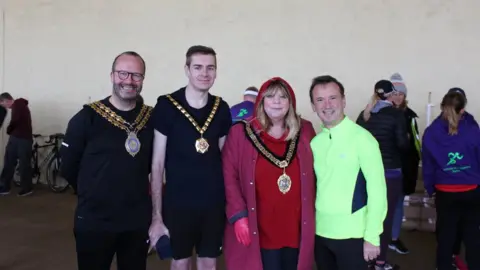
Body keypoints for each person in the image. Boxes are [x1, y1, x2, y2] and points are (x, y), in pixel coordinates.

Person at [60, 51, 153, 270]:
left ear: (143, 80)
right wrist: (94, 193)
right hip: (95, 221)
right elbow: (68, 167)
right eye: (123, 73)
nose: (129, 80)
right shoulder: (86, 118)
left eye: (136, 75)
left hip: (136, 221)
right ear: (112, 75)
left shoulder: (151, 118)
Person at [149, 45, 232, 270]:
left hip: (213, 203)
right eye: (198, 67)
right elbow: (157, 165)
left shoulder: (221, 108)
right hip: (179, 203)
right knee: (181, 262)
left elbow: (227, 163)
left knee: (209, 262)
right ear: (187, 69)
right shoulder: (167, 106)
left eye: (210, 68)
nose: (204, 73)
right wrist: (156, 216)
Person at [222, 77, 316, 270]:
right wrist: (238, 216)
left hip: (295, 226)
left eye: (283, 97)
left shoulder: (304, 130)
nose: (277, 101)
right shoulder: (241, 133)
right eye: (270, 96)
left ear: (291, 103)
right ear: (261, 101)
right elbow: (228, 176)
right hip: (259, 227)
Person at [310, 75, 387, 270]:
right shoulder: (315, 144)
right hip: (321, 234)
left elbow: (378, 192)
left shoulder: (363, 139)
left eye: (333, 98)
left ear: (344, 101)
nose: (327, 105)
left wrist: (372, 237)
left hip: (354, 236)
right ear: (313, 106)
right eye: (320, 100)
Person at [422, 91, 480, 270]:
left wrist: (430, 189)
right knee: (472, 236)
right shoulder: (472, 128)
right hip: (471, 189)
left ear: (441, 107)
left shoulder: (431, 132)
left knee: (446, 236)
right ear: (463, 109)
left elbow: (428, 165)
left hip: (445, 191)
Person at [357, 79, 408, 270]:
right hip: (390, 173)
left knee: (367, 216)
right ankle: (380, 262)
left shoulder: (365, 115)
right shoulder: (396, 115)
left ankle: (365, 260)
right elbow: (403, 145)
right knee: (385, 219)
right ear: (391, 93)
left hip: (366, 172)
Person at [388, 73, 420, 255]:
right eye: (393, 93)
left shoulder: (410, 116)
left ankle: (393, 238)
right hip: (385, 168)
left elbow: (415, 145)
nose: (397, 97)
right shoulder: (379, 114)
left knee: (398, 204)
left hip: (402, 169)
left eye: (400, 93)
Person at [0, 93, 33, 196]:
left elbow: (15, 120)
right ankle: (5, 186)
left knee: (23, 164)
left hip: (22, 139)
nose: (4, 106)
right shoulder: (18, 106)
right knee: (9, 161)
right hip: (16, 138)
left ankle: (26, 188)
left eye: (2, 103)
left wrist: (9, 129)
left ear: (6, 100)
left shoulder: (18, 104)